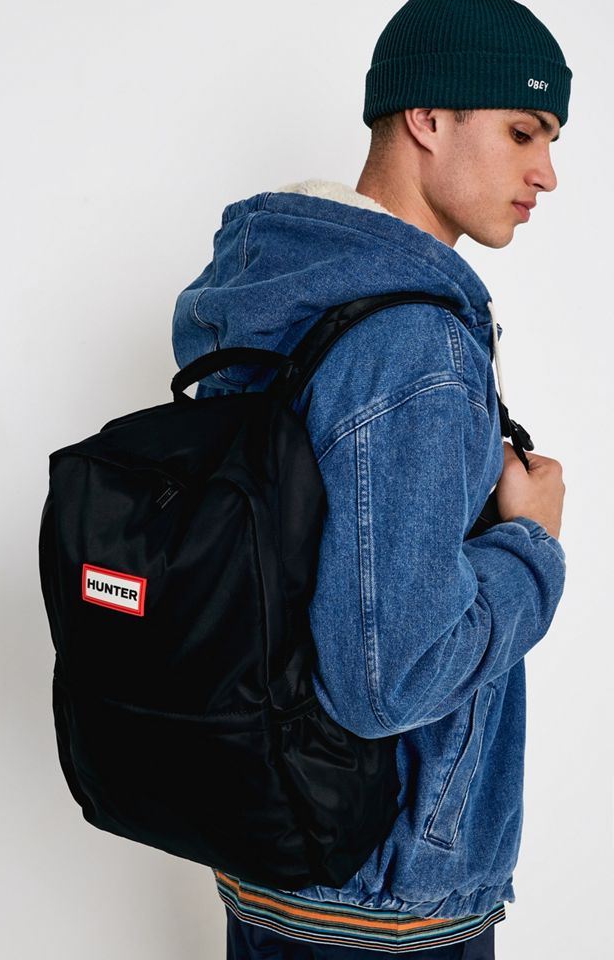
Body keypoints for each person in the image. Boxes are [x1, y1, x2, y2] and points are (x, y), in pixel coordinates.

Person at [171, 0, 571, 955]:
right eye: (523, 132)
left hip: (269, 853)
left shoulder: (276, 300)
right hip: (383, 897)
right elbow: (392, 681)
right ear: (426, 118)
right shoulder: (414, 343)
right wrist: (533, 543)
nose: (547, 174)